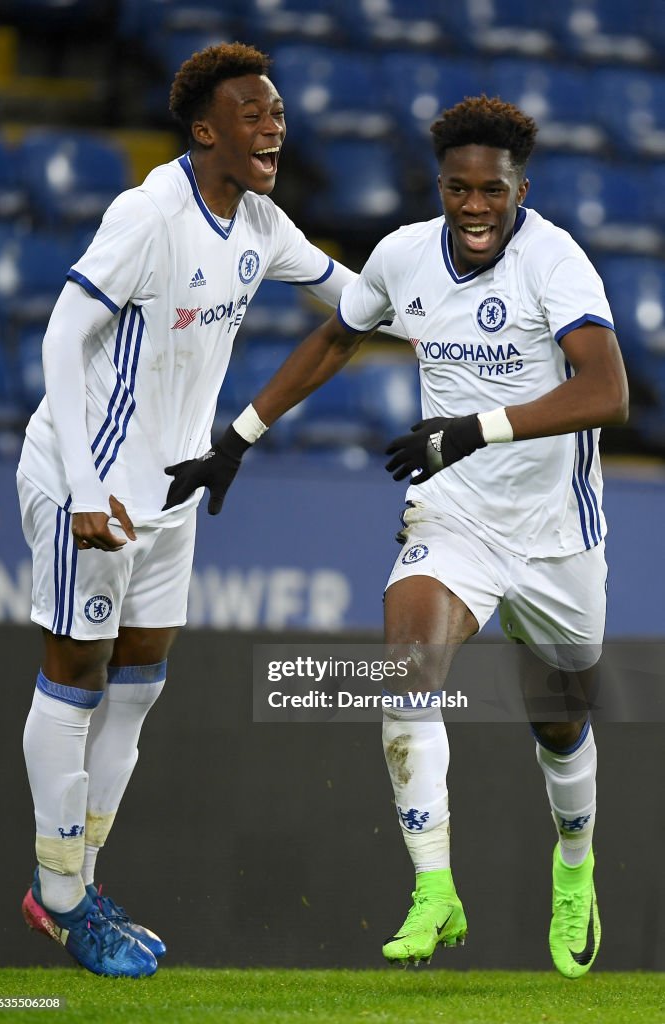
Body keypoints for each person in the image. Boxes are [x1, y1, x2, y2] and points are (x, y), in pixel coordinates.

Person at [195, 96, 629, 977]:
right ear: (440, 188)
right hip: (455, 516)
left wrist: (474, 428)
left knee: (559, 721)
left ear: (520, 188)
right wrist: (236, 436)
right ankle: (435, 891)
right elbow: (334, 337)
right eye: (457, 189)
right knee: (408, 671)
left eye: (491, 191)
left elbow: (606, 392)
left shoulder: (555, 261)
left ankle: (574, 865)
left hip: (555, 534)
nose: (474, 207)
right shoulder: (402, 255)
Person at [17, 41, 396, 978]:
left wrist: (446, 309)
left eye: (275, 111)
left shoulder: (260, 221)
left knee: (137, 688)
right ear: (204, 130)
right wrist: (78, 488)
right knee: (77, 675)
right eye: (253, 113)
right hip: (92, 480)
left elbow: (354, 299)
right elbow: (66, 331)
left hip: (172, 492)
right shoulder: (148, 213)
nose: (273, 124)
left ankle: (80, 886)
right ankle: (57, 893)